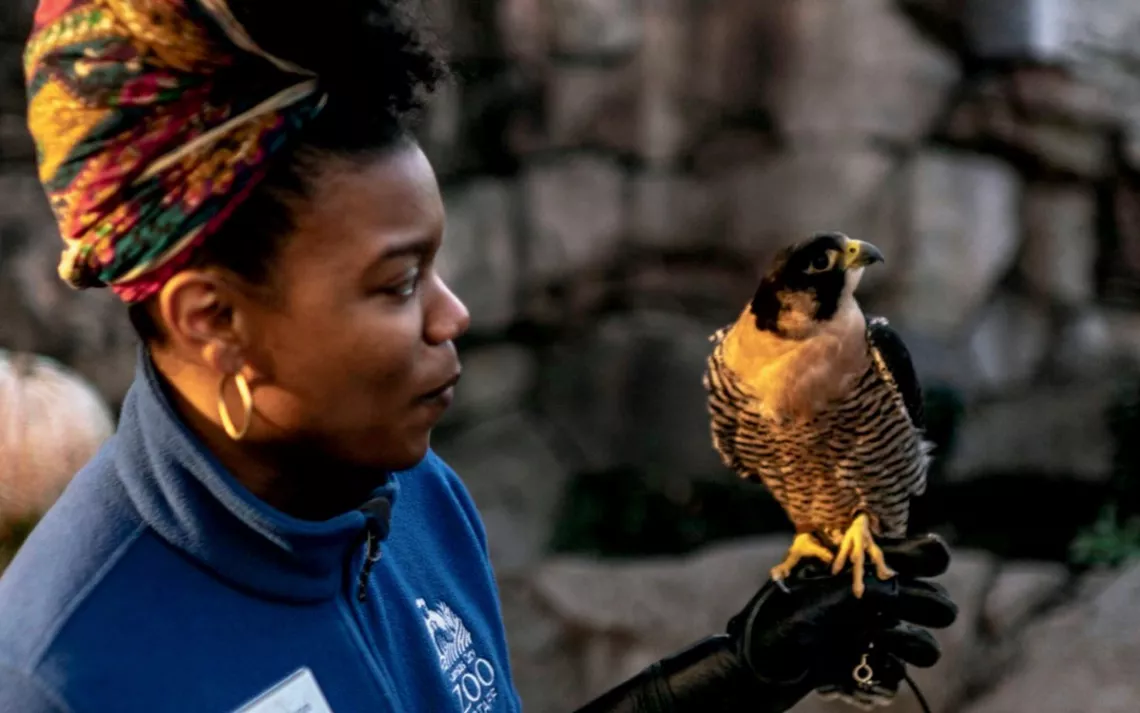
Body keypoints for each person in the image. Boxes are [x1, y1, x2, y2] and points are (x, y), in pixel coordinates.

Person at [0, 1, 958, 711]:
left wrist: (748, 671)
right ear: (212, 319)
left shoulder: (419, 501)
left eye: (437, 267)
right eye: (398, 283)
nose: (452, 315)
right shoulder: (62, 672)